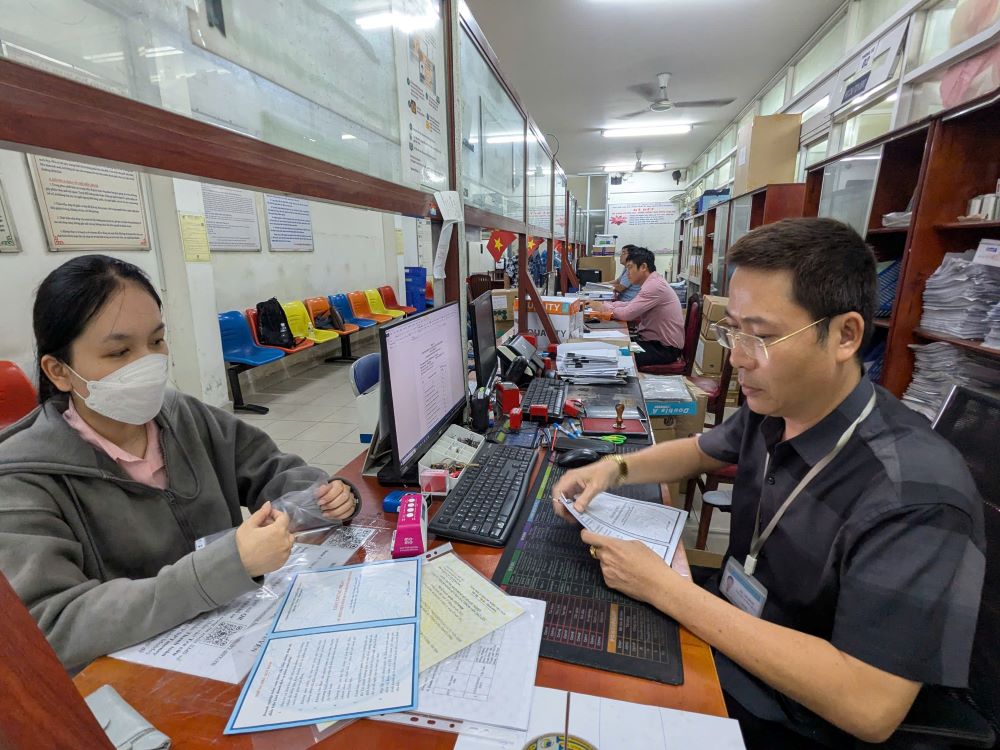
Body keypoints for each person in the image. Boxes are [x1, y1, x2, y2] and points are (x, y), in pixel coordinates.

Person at [553, 218, 985, 748]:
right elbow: (697, 450)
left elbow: (869, 704)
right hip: (732, 637)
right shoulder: (780, 406)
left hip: (797, 717)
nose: (736, 357)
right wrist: (613, 467)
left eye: (761, 336)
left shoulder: (916, 491)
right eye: (732, 329)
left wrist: (664, 587)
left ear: (846, 335)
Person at [0, 255, 361, 672]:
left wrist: (326, 495)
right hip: (137, 676)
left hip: (235, 636)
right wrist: (225, 567)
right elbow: (54, 625)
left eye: (156, 342)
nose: (147, 365)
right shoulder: (23, 480)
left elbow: (274, 468)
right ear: (59, 371)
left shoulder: (183, 416)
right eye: (119, 351)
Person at [589, 247, 684, 367]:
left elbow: (627, 314)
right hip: (651, 343)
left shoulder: (654, 286)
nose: (628, 273)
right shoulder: (652, 282)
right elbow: (631, 304)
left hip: (662, 349)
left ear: (643, 267)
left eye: (630, 267)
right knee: (612, 345)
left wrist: (604, 308)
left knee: (613, 355)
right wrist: (605, 305)